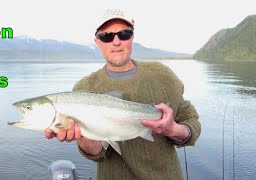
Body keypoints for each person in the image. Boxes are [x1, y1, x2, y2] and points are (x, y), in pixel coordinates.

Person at [45, 9, 201, 180]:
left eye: (124, 34)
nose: (116, 42)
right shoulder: (84, 88)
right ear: (97, 41)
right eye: (107, 36)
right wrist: (82, 137)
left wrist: (173, 129)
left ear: (132, 37)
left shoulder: (164, 76)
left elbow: (191, 123)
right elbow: (97, 153)